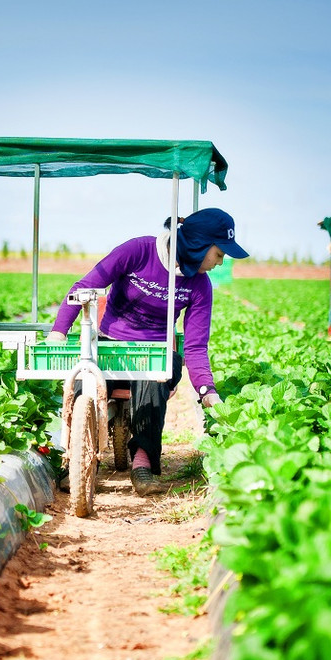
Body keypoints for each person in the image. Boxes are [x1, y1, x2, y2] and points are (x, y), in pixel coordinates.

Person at [46, 207, 248, 495]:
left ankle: (142, 463)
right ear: (200, 244)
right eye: (219, 253)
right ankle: (76, 458)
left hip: (155, 352)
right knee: (85, 378)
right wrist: (58, 331)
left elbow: (195, 345)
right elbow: (85, 286)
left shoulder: (200, 285)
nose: (221, 261)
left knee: (156, 374)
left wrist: (207, 391)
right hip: (110, 344)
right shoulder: (139, 251)